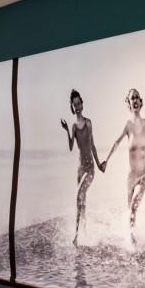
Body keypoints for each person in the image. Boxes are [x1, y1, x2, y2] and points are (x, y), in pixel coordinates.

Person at [102, 88, 145, 245]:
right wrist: (106, 160)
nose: (135, 100)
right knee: (130, 213)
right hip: (130, 177)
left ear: (140, 101)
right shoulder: (128, 125)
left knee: (133, 207)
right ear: (129, 103)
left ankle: (133, 244)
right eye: (132, 98)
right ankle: (131, 241)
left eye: (136, 97)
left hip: (143, 175)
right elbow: (116, 142)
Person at [59, 89, 102, 246]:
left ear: (82, 104)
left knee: (79, 196)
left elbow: (93, 146)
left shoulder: (88, 123)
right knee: (81, 202)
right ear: (72, 107)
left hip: (90, 169)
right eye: (74, 105)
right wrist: (66, 130)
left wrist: (99, 164)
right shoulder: (73, 127)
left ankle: (76, 237)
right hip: (80, 169)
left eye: (78, 103)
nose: (77, 107)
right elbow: (71, 147)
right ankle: (83, 233)